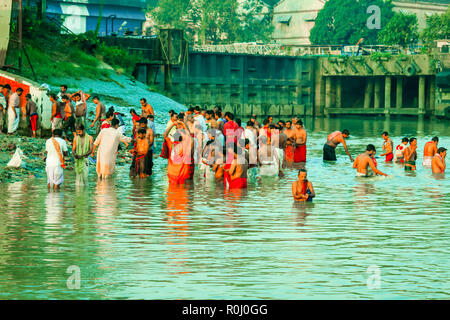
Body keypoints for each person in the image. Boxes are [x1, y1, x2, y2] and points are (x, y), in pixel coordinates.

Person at [163, 119, 194, 185]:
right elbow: (189, 137)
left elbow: (165, 135)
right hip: (182, 173)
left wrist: (172, 124)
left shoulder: (171, 145)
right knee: (182, 191)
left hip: (172, 173)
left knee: (172, 192)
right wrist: (183, 124)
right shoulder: (185, 144)